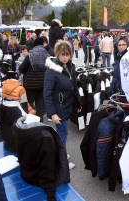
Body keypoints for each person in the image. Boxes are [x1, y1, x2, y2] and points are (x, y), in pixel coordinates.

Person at [44, 40, 82, 170]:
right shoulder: (52, 70)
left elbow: (74, 86)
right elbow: (47, 94)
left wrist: (78, 103)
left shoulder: (71, 66)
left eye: (67, 54)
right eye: (62, 55)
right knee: (62, 135)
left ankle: (61, 154)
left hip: (67, 105)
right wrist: (53, 114)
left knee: (63, 134)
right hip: (58, 108)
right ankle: (60, 161)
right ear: (58, 55)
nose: (65, 57)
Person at [19, 37, 50, 122]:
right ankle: (39, 122)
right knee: (40, 104)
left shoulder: (30, 56)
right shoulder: (47, 55)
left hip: (29, 85)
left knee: (28, 104)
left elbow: (21, 69)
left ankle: (29, 121)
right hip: (42, 85)